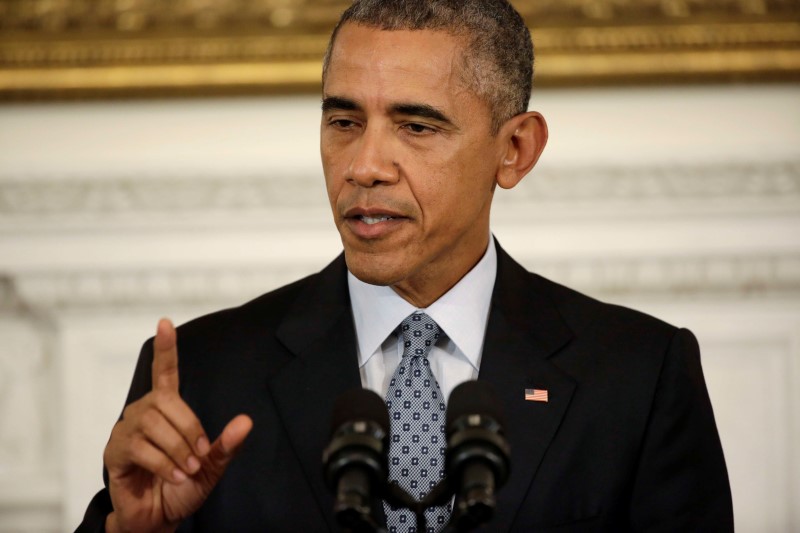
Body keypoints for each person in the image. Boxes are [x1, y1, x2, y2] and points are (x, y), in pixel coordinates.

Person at [77, 0, 734, 531]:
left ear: (515, 149)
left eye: (416, 127)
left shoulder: (640, 377)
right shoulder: (203, 375)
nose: (364, 165)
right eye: (343, 121)